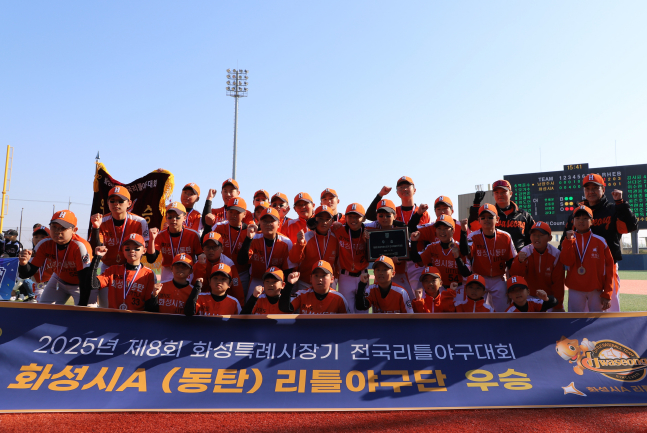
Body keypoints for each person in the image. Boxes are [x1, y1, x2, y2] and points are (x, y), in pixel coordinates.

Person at [559, 173, 638, 312]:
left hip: (606, 266)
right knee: (579, 313)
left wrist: (621, 203)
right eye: (587, 188)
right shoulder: (577, 213)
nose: (591, 192)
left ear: (603, 189)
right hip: (580, 267)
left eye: (595, 188)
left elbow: (630, 227)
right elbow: (564, 242)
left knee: (609, 309)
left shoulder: (613, 209)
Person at [89, 186, 150, 307]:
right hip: (108, 268)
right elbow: (96, 248)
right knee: (105, 306)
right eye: (112, 200)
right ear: (108, 203)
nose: (116, 204)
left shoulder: (140, 222)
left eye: (120, 201)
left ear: (129, 203)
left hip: (131, 268)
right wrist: (95, 228)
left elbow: (143, 249)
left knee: (132, 306)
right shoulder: (101, 221)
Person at [18, 210, 95, 305]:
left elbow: (85, 279)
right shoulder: (44, 243)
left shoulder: (80, 246)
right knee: (44, 309)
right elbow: (26, 274)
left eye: (63, 228)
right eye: (54, 227)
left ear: (74, 230)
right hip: (59, 279)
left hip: (81, 284)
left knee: (87, 311)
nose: (57, 231)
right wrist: (23, 263)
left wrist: (82, 306)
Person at [560, 205, 614, 312]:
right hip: (575, 289)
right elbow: (567, 261)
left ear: (592, 222)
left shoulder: (600, 241)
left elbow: (609, 267)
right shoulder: (568, 241)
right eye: (578, 218)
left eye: (585, 218)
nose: (581, 221)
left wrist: (607, 293)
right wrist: (569, 242)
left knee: (597, 320)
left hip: (596, 290)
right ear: (573, 221)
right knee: (574, 319)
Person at [84, 233, 158, 311]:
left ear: (144, 250)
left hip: (136, 317)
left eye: (136, 248)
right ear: (123, 250)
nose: (132, 251)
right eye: (127, 248)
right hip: (114, 316)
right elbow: (92, 284)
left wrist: (154, 296)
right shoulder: (113, 270)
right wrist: (97, 257)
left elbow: (150, 306)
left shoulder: (148, 274)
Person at [465, 203, 517, 312]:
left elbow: (512, 262)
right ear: (479, 220)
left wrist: (511, 284)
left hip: (499, 278)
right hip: (479, 278)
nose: (486, 220)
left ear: (497, 219)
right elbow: (468, 257)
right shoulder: (473, 236)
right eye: (483, 217)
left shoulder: (505, 236)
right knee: (478, 311)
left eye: (490, 217)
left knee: (503, 311)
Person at [406, 196, 464, 291]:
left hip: (458, 279)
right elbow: (412, 229)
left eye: (445, 208)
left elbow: (467, 254)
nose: (442, 211)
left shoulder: (461, 227)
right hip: (437, 278)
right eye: (438, 209)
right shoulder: (431, 231)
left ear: (452, 211)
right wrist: (419, 214)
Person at [238, 207, 296, 300]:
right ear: (259, 223)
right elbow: (241, 261)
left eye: (271, 221)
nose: (268, 224)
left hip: (275, 281)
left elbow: (288, 270)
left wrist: (283, 289)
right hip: (257, 279)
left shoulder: (286, 242)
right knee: (251, 305)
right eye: (265, 221)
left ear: (279, 224)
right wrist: (248, 239)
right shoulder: (254, 237)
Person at [509, 222, 565, 311]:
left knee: (555, 317)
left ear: (549, 238)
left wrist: (558, 306)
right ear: (530, 237)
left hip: (548, 297)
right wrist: (519, 262)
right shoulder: (525, 252)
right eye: (534, 235)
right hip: (528, 296)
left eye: (541, 235)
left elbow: (558, 283)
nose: (536, 238)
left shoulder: (556, 254)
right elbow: (515, 275)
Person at [364, 199, 413, 299]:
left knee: (408, 300)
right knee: (379, 303)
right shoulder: (371, 232)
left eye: (388, 215)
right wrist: (363, 234)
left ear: (394, 216)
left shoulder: (402, 231)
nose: (384, 218)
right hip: (380, 274)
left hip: (399, 274)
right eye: (381, 215)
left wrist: (399, 260)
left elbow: (409, 253)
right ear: (377, 217)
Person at [469, 180, 535, 252]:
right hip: (495, 256)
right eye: (496, 192)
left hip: (519, 257)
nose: (500, 195)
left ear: (511, 193)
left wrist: (527, 253)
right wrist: (475, 207)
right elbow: (474, 228)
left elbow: (534, 237)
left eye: (503, 192)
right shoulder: (489, 214)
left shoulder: (524, 215)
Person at [410, 215, 472, 291]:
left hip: (458, 289)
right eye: (439, 228)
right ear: (435, 230)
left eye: (446, 228)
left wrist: (457, 258)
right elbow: (416, 259)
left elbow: (466, 273)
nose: (442, 231)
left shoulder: (460, 247)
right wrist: (413, 242)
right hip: (439, 288)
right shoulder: (432, 247)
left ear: (453, 230)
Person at [205, 194, 251, 294]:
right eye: (231, 212)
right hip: (219, 274)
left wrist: (249, 238)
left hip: (241, 273)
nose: (233, 215)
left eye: (237, 212)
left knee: (239, 299)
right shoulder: (219, 226)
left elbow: (245, 260)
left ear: (244, 214)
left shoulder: (249, 231)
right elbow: (205, 244)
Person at [146, 202, 202, 283]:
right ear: (166, 218)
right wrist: (152, 239)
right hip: (168, 269)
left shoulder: (193, 235)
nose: (173, 219)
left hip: (187, 268)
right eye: (170, 217)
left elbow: (200, 256)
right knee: (164, 289)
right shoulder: (160, 235)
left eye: (177, 217)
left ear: (184, 217)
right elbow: (151, 259)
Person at [289, 205, 339, 292]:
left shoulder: (335, 238)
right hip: (306, 282)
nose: (324, 222)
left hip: (327, 283)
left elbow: (338, 261)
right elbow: (294, 259)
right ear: (314, 220)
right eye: (320, 219)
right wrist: (300, 243)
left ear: (332, 221)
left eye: (327, 219)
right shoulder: (306, 237)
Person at [332, 203, 369, 313]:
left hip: (363, 276)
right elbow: (317, 225)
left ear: (364, 218)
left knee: (363, 312)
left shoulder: (368, 232)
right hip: (345, 276)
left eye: (357, 216)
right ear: (346, 217)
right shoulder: (339, 229)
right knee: (346, 312)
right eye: (350, 216)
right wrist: (334, 222)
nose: (353, 219)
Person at [191, 231, 244, 305]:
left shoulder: (228, 263)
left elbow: (237, 288)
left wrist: (240, 306)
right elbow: (196, 286)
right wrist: (201, 265)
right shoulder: (199, 262)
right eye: (207, 247)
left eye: (215, 247)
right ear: (203, 248)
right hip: (204, 301)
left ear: (222, 248)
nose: (211, 250)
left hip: (224, 301)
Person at [279, 261, 349, 314]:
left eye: (324, 275)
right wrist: (289, 285)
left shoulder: (339, 299)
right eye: (316, 276)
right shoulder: (302, 295)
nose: (320, 279)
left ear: (332, 279)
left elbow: (348, 322)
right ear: (310, 279)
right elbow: (284, 308)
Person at [14, 226, 51, 302]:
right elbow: (23, 276)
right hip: (38, 286)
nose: (39, 239)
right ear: (32, 239)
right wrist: (23, 264)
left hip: (53, 286)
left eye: (43, 237)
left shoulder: (55, 253)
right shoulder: (29, 254)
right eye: (36, 237)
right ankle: (30, 297)